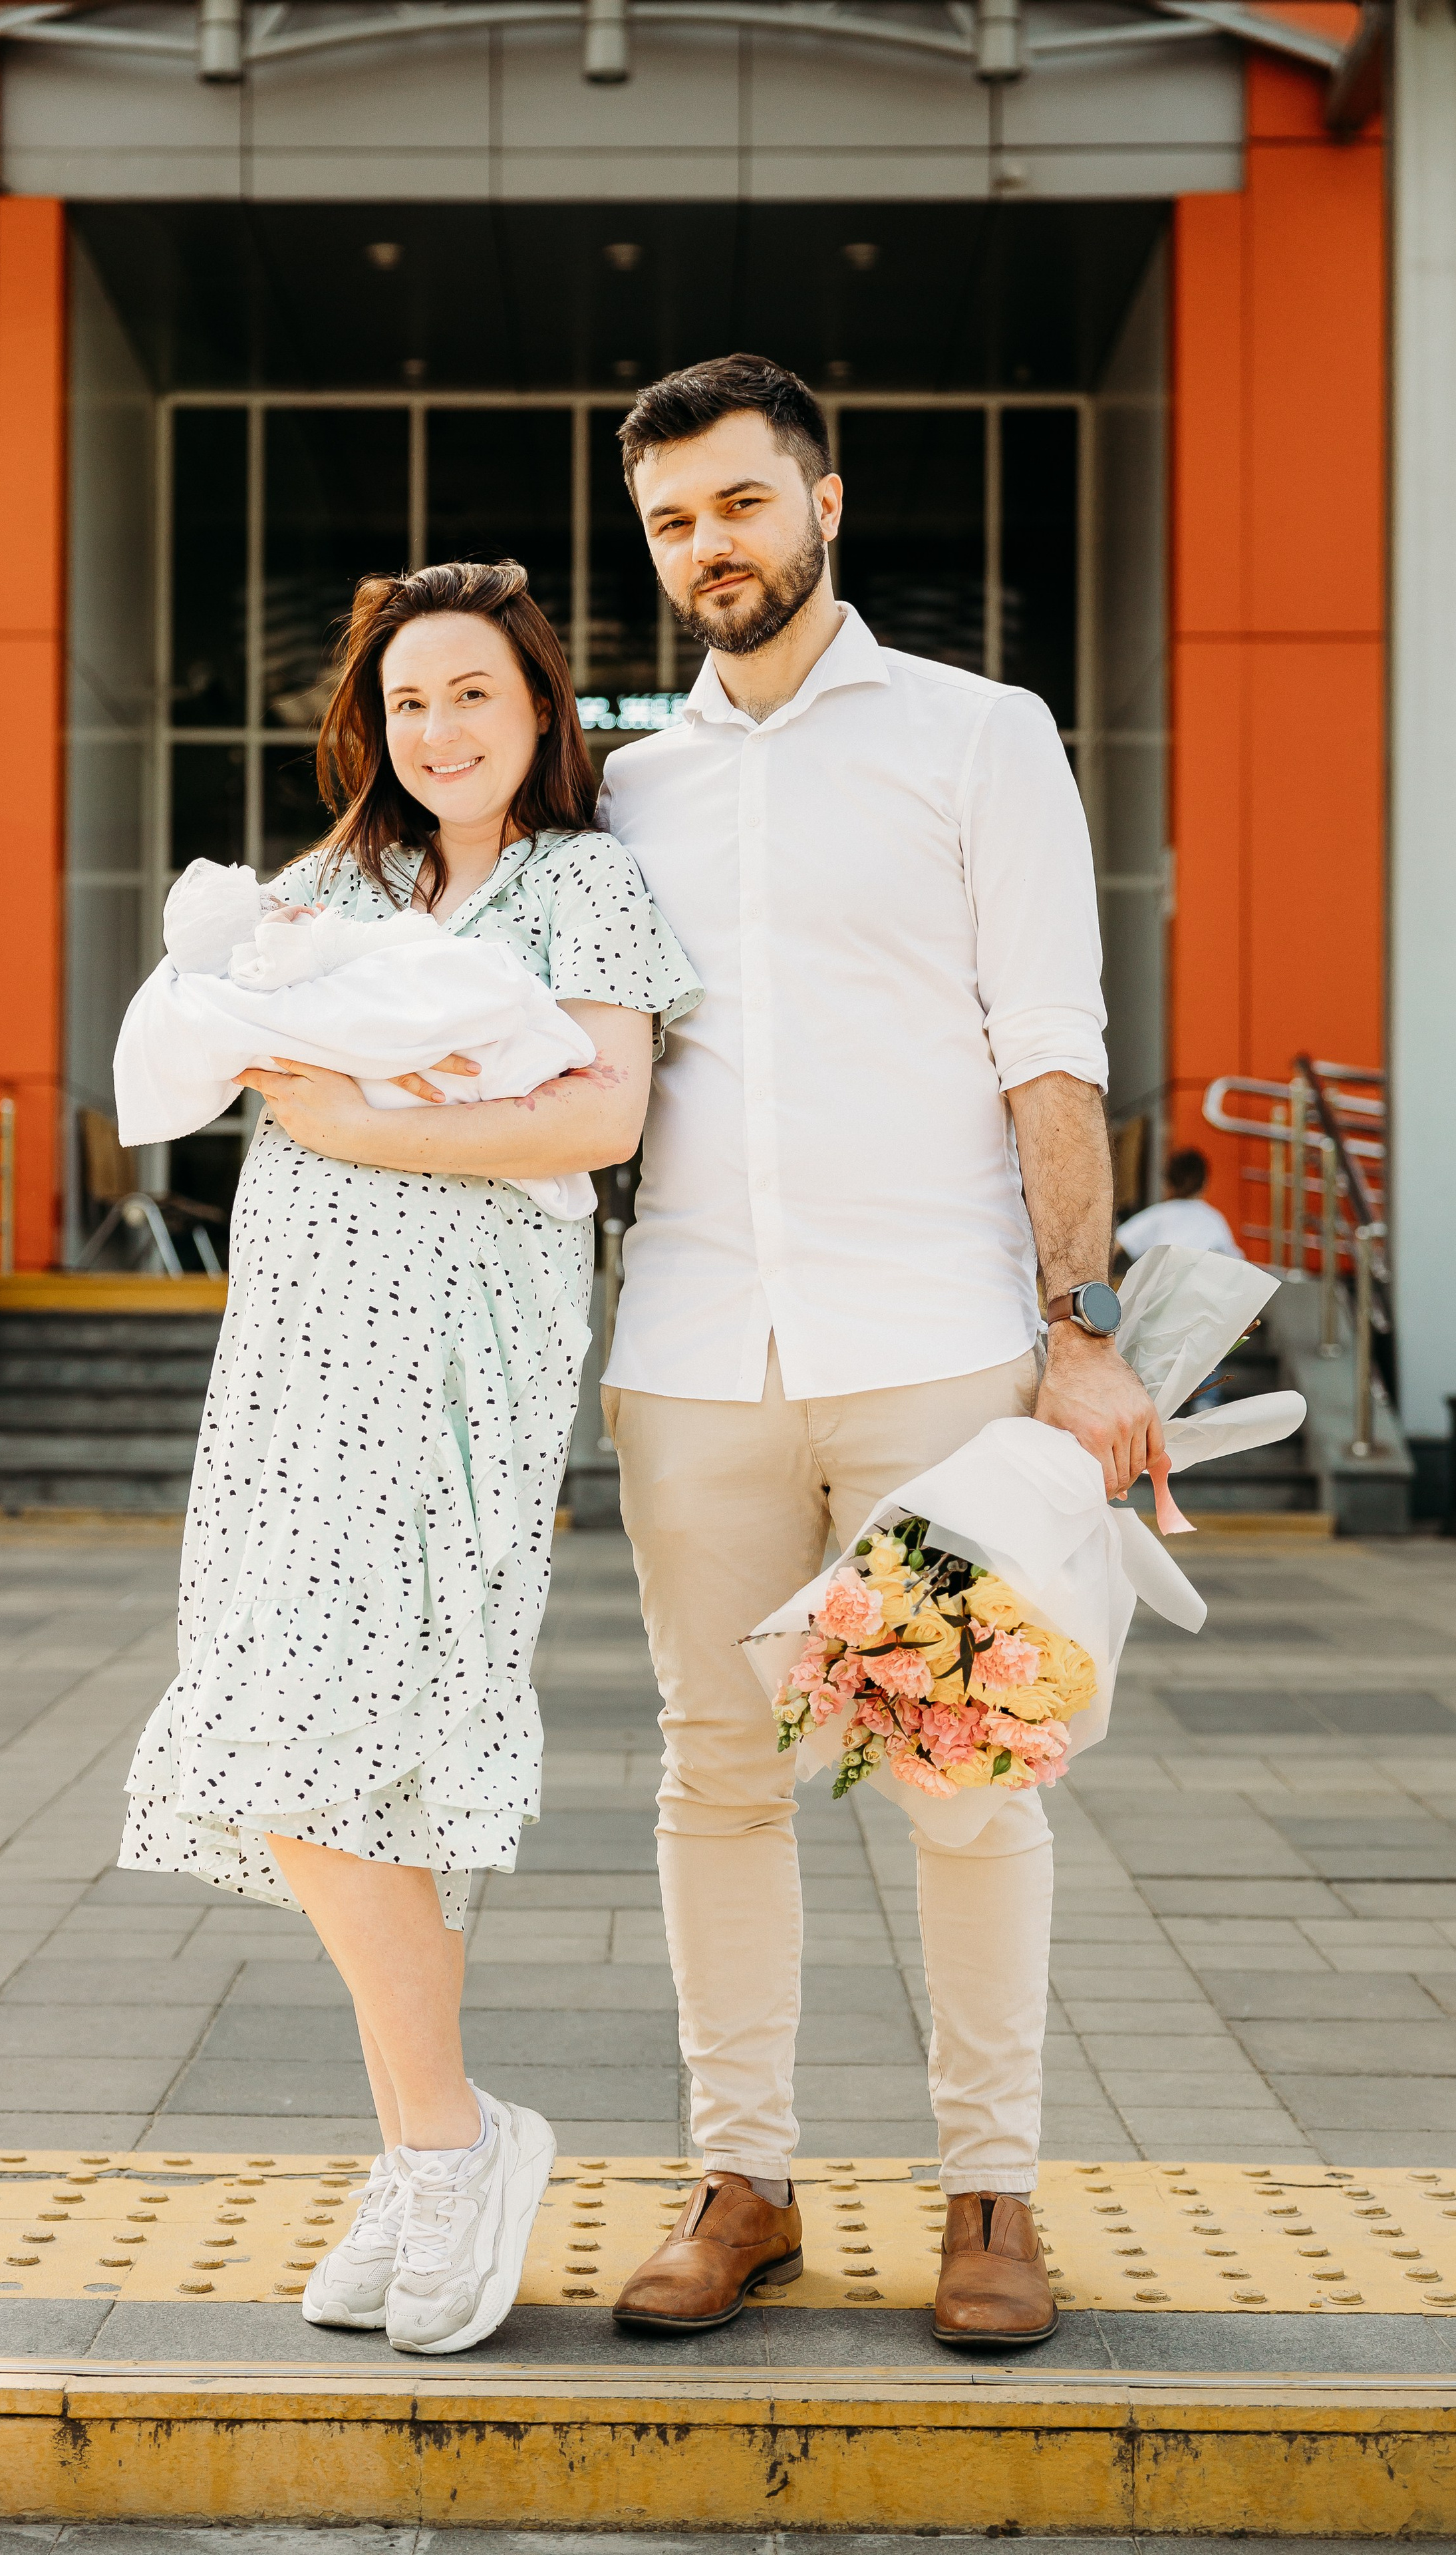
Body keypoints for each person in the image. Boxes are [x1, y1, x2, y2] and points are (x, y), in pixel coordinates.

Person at [594, 355, 1161, 2348]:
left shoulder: (975, 734)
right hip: (688, 1352)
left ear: (823, 499)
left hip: (926, 1339)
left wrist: (1075, 1334)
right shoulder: (630, 787)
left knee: (956, 1770)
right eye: (672, 520)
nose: (706, 548)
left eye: (739, 503)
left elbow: (1050, 1047)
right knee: (713, 1773)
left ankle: (987, 2192)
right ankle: (743, 2176)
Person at [118, 560, 700, 2357]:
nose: (438, 728)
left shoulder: (584, 881)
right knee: (302, 1731)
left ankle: (445, 2144)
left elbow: (598, 1113)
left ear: (540, 714)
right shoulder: (329, 886)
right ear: (367, 726)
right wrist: (399, 1091)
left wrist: (370, 1106)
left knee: (362, 1725)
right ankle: (429, 2142)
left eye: (473, 694)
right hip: (293, 1339)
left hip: (460, 1354)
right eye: (407, 701)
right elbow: (213, 1047)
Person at [1116, 1147, 1243, 1262]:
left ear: (1168, 1183)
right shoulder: (1214, 1220)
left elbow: (1116, 1244)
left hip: (1161, 1286)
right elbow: (1237, 1263)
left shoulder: (1159, 1214)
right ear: (1204, 1183)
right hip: (1199, 1286)